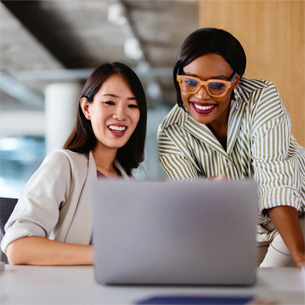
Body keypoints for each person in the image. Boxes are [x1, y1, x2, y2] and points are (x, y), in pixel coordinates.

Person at [157, 28, 305, 268]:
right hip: (244, 231)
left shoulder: (261, 98)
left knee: (269, 293)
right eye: (190, 82)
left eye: (216, 85)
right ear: (178, 77)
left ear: (235, 80)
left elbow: (275, 179)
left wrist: (300, 256)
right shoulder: (171, 132)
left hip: (294, 218)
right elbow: (192, 207)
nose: (201, 96)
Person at [1, 62, 147, 265]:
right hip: (70, 293)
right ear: (87, 108)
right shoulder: (64, 164)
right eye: (109, 102)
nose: (121, 114)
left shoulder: (129, 182)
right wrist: (107, 255)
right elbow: (19, 247)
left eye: (132, 105)